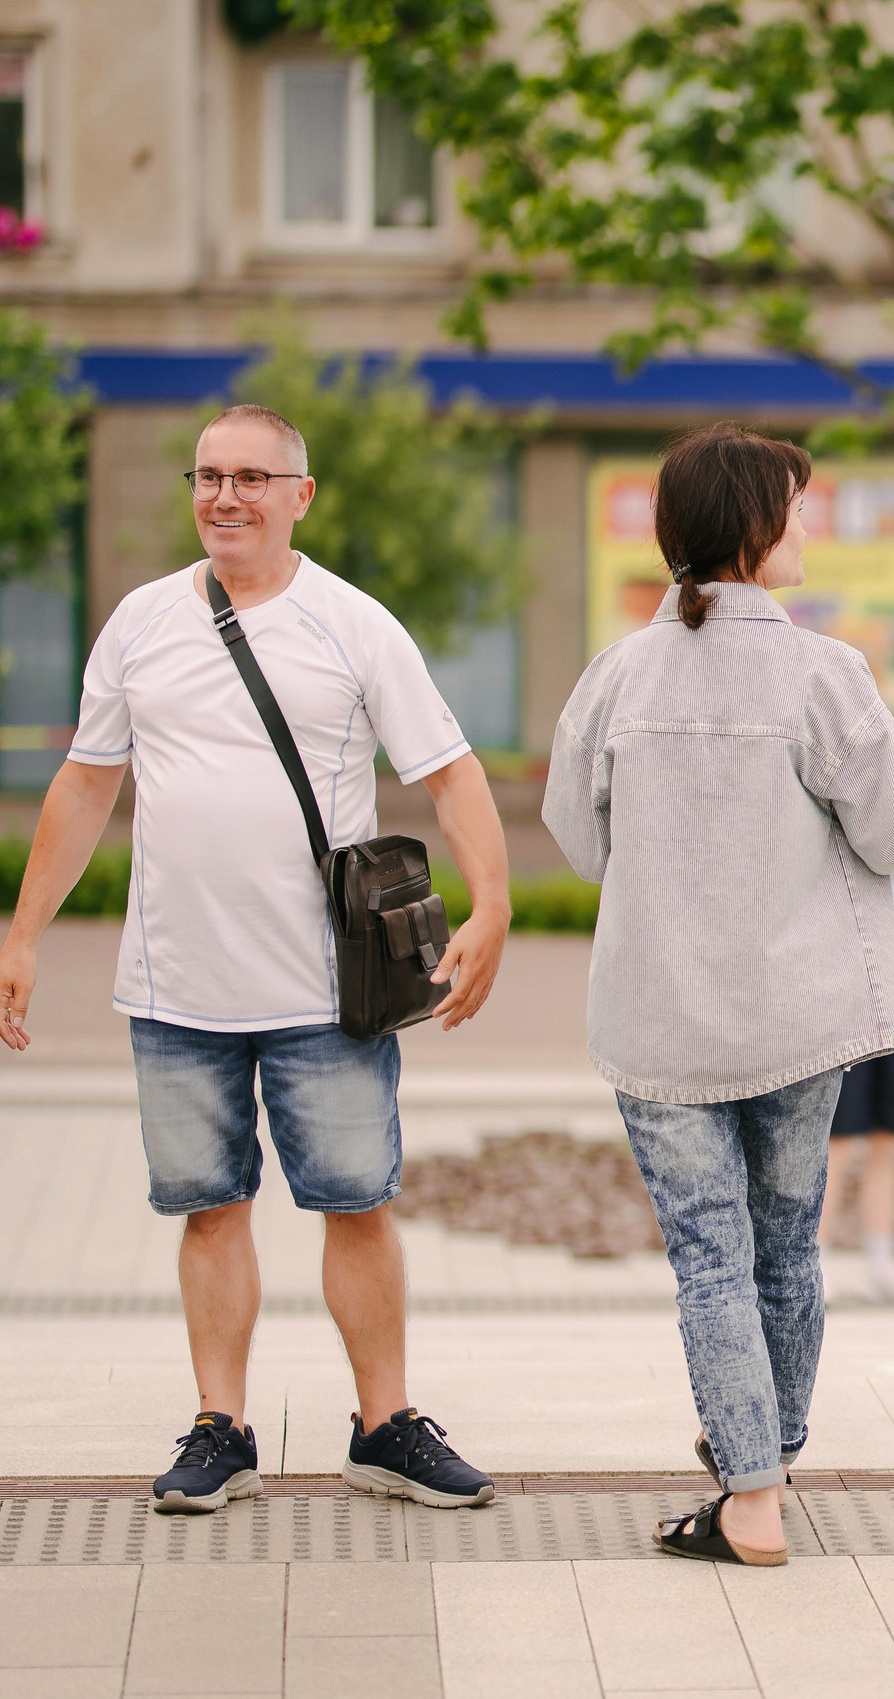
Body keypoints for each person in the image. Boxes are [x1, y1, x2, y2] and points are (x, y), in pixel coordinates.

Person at [542, 423, 894, 1566]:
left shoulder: (618, 673)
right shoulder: (827, 673)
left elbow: (577, 842)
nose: (808, 526)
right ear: (759, 527)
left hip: (656, 1019)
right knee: (787, 1251)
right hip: (801, 1020)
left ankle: (752, 1491)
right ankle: (761, 1475)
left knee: (709, 1259)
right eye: (797, 507)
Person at [0, 403, 513, 1514]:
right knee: (210, 1207)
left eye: (250, 477)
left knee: (356, 1204)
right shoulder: (138, 622)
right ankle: (219, 1429)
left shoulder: (353, 624)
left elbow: (452, 770)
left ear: (300, 495)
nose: (224, 496)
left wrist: (496, 903)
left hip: (328, 988)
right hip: (174, 984)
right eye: (207, 476)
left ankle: (384, 1425)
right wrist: (25, 929)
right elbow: (88, 781)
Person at [819, 866, 894, 1307]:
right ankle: (815, 1261)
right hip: (849, 1015)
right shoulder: (849, 855)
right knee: (839, 1144)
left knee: (889, 1141)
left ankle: (881, 1263)